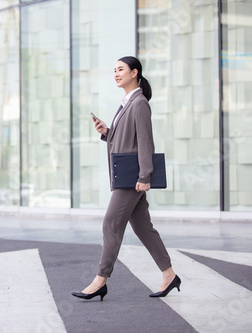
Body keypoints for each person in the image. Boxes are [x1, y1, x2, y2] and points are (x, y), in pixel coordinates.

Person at [71, 56, 180, 301]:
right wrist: (107, 132)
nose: (116, 74)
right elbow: (126, 139)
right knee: (143, 227)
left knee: (111, 223)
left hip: (133, 179)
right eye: (114, 70)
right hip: (130, 177)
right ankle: (169, 274)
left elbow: (144, 141)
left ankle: (100, 280)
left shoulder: (139, 103)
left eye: (120, 69)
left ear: (134, 72)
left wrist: (145, 176)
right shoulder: (127, 103)